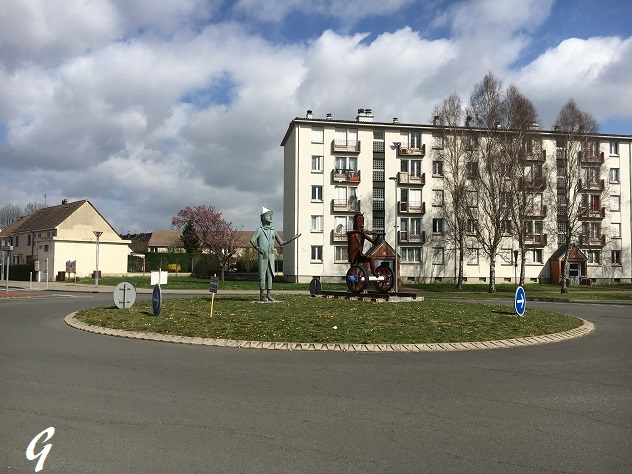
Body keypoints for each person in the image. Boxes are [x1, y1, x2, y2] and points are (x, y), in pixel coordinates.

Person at [250, 207, 300, 301]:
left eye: (271, 215)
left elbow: (281, 242)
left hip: (271, 256)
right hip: (263, 256)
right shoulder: (260, 230)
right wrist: (258, 248)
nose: (270, 217)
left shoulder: (273, 230)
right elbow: (252, 240)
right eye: (268, 215)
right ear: (263, 217)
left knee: (270, 275)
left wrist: (292, 239)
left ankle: (269, 294)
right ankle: (262, 295)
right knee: (262, 275)